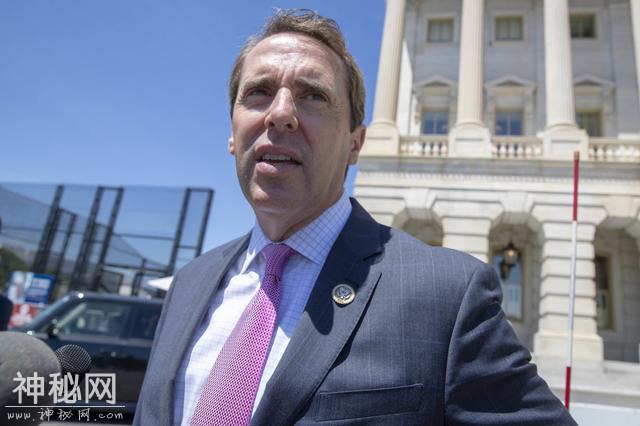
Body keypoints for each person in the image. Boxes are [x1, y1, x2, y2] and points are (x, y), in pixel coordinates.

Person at [135, 9, 576, 426]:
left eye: (313, 95)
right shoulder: (188, 284)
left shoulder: (449, 296)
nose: (280, 113)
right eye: (258, 93)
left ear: (355, 144)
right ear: (232, 133)